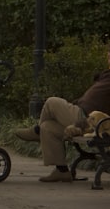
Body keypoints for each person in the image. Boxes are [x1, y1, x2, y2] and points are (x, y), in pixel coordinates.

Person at [15, 46, 110, 182]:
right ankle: (62, 171)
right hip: (80, 115)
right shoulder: (105, 77)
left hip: (89, 120)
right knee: (47, 127)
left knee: (51, 102)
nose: (109, 58)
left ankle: (36, 131)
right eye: (109, 55)